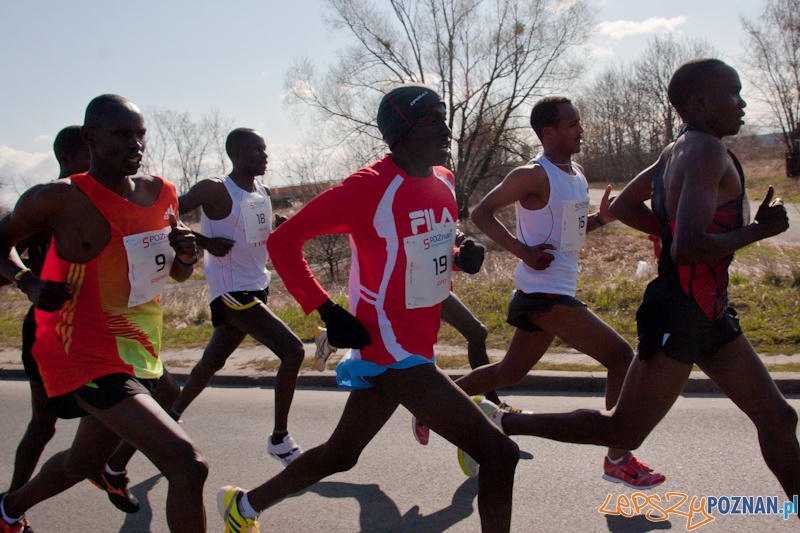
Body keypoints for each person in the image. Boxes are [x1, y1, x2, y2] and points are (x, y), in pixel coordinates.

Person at [485, 59, 800, 508]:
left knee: (778, 418)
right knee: (623, 430)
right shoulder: (705, 151)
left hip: (709, 309)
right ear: (700, 102)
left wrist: (670, 231)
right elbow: (686, 249)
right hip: (682, 309)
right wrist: (756, 232)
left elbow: (628, 206)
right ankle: (503, 422)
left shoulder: (677, 150)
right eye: (734, 91)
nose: (743, 102)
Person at [216, 84, 519, 533]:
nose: (446, 127)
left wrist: (459, 252)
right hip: (387, 343)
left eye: (444, 116)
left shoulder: (444, 180)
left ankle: (243, 506)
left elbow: (430, 235)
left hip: (419, 336)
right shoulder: (368, 188)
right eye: (433, 118)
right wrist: (326, 310)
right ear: (402, 131)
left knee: (342, 454)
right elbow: (284, 241)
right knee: (500, 453)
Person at [0, 94, 208, 533]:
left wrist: (185, 258)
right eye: (122, 135)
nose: (136, 144)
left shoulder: (163, 193)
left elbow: (175, 275)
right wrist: (28, 282)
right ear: (91, 137)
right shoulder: (59, 199)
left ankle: (8, 510)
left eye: (140, 134)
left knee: (83, 461)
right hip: (82, 350)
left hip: (140, 348)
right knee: (188, 465)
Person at [449, 96, 664, 488]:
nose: (580, 130)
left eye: (579, 123)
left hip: (557, 288)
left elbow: (571, 234)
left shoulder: (576, 173)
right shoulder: (532, 174)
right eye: (572, 124)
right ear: (548, 132)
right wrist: (522, 251)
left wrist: (604, 217)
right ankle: (618, 457)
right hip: (543, 294)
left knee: (509, 373)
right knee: (620, 357)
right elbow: (480, 212)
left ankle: (436, 399)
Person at [170, 128, 305, 465]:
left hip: (258, 285)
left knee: (213, 361)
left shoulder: (263, 191)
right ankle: (279, 438)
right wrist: (204, 242)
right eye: (257, 150)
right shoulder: (214, 190)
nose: (265, 156)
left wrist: (279, 227)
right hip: (232, 291)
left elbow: (254, 232)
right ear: (237, 153)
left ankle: (169, 415)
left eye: (265, 148)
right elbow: (164, 215)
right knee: (293, 351)